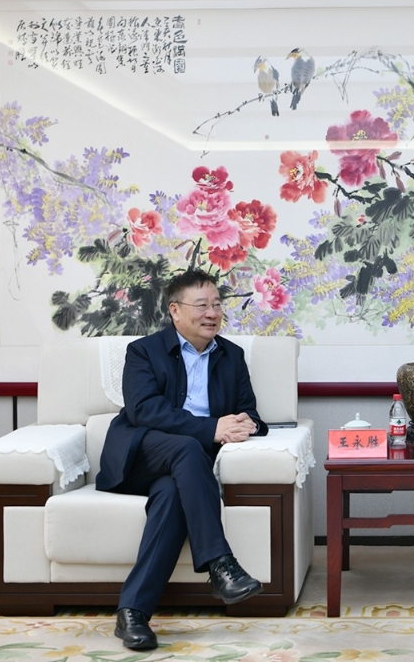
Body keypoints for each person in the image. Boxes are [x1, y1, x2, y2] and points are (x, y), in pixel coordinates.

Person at [96, 270, 268, 650]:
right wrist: (210, 428)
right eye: (202, 305)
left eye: (217, 305)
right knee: (189, 447)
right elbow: (144, 410)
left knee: (173, 495)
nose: (212, 313)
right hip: (140, 455)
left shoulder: (232, 356)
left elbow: (249, 411)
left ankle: (132, 614)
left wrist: (247, 423)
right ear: (175, 310)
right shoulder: (143, 352)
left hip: (185, 471)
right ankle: (220, 564)